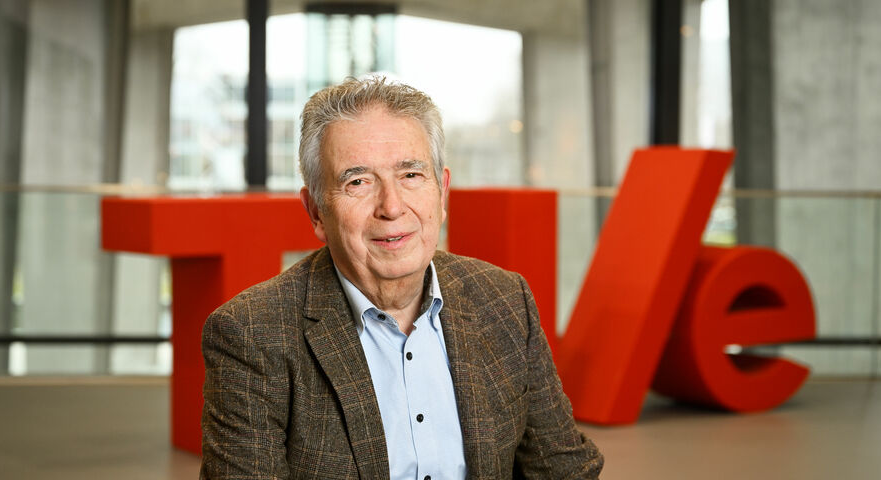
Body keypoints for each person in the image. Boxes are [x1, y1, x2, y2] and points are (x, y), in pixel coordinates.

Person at [200, 76, 603, 479]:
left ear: (442, 193)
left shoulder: (504, 300)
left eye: (410, 175)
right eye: (358, 182)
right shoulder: (252, 334)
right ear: (316, 211)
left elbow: (564, 469)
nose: (391, 207)